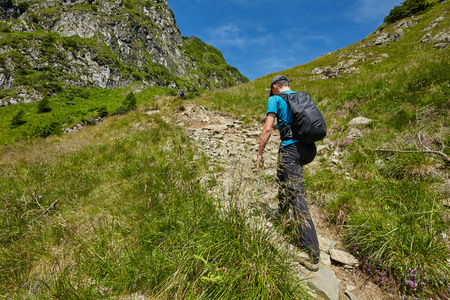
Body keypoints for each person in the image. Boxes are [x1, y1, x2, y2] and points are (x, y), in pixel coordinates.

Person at [257, 75, 320, 271]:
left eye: (272, 89)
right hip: (309, 150)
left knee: (296, 194)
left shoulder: (275, 99)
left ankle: (312, 252)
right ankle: (282, 214)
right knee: (282, 178)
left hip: (290, 150)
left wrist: (259, 153)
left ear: (275, 87)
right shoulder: (301, 97)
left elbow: (268, 129)